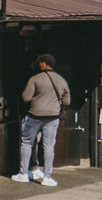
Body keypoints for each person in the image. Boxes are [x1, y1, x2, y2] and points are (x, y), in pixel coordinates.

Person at [11, 54, 70, 187]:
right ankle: (47, 177)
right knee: (49, 146)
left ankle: (23, 174)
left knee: (26, 143)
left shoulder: (35, 79)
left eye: (40, 62)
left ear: (43, 64)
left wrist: (38, 100)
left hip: (34, 115)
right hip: (53, 117)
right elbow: (67, 100)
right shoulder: (61, 80)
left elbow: (26, 98)